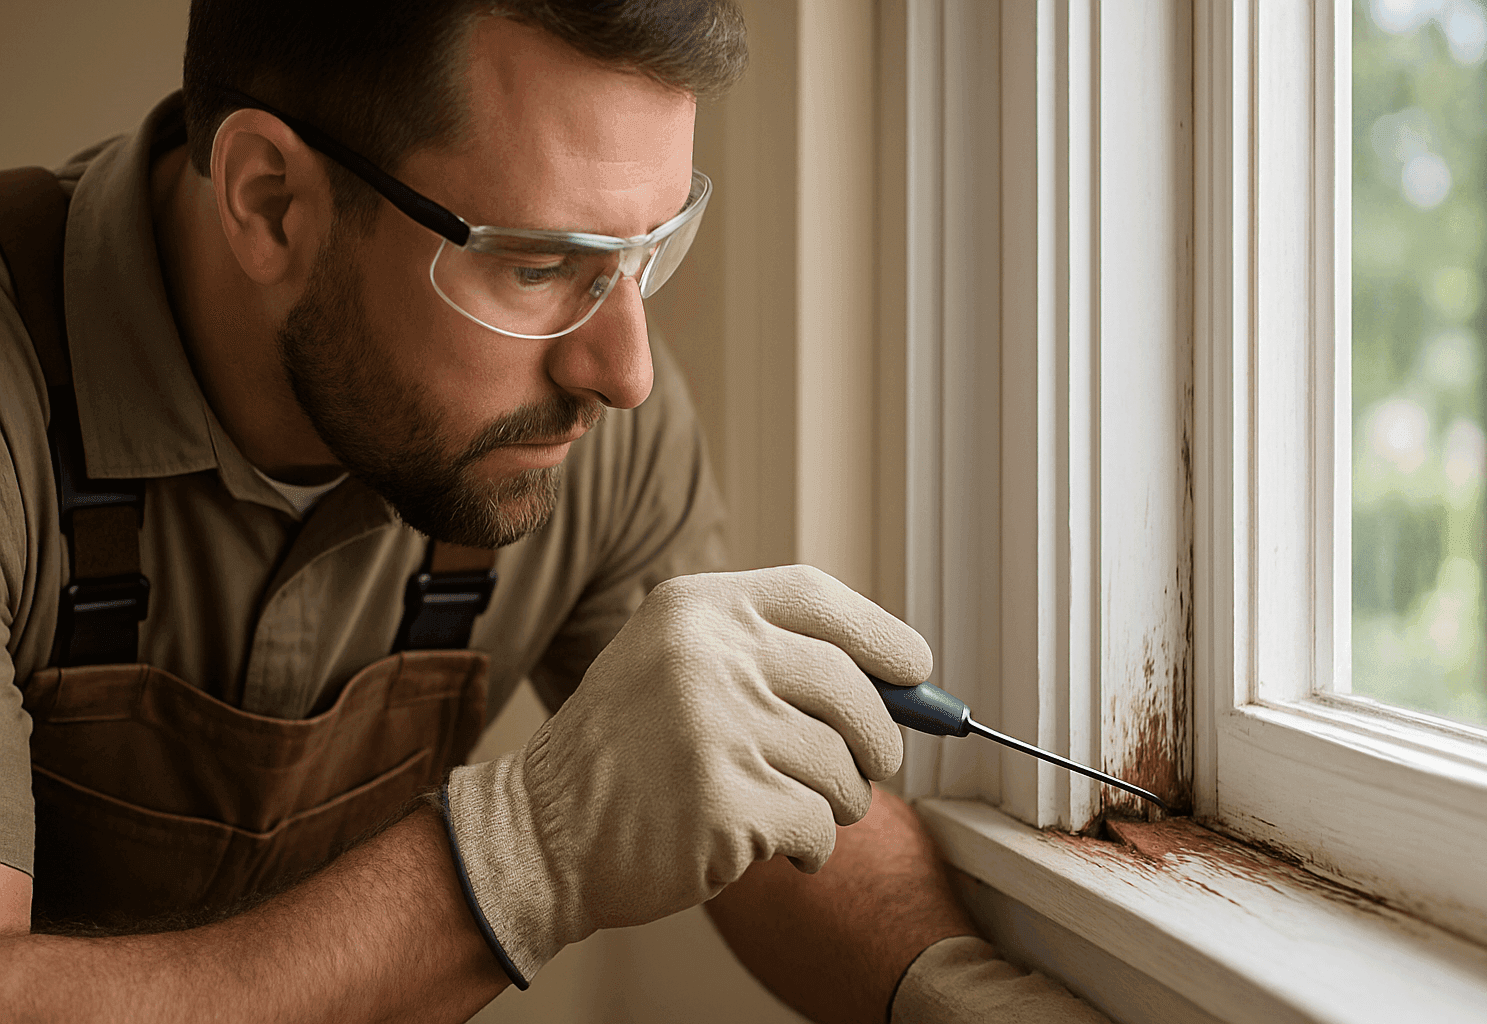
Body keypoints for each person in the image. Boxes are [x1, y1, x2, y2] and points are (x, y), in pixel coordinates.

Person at [0, 3, 1107, 1021]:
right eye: (539, 266)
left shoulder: (555, 418)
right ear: (270, 201)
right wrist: (524, 853)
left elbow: (743, 787)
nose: (624, 373)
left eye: (645, 253)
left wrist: (962, 1000)